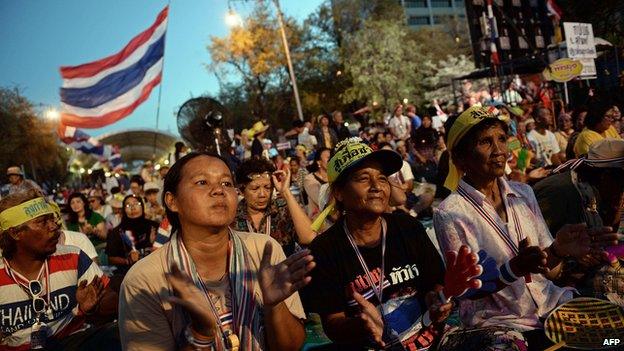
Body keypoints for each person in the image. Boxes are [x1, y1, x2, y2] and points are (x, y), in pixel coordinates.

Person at [435, 106, 620, 348]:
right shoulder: (450, 212)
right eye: (485, 142)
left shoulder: (523, 193)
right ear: (460, 158)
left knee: (612, 339)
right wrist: (513, 268)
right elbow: (467, 290)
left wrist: (558, 251)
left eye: (501, 139)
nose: (499, 150)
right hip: (502, 323)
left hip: (552, 305)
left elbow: (549, 272)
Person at [119, 152, 314, 350]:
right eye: (202, 182)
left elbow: (291, 346)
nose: (218, 190)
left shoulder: (263, 249)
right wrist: (201, 333)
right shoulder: (144, 281)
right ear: (172, 201)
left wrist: (275, 306)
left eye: (226, 183)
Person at [304, 138, 482, 349]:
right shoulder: (325, 249)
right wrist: (361, 325)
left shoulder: (407, 227)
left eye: (382, 178)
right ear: (339, 193)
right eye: (363, 178)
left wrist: (437, 299)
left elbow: (435, 283)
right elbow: (332, 323)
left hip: (433, 340)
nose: (376, 186)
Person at [0, 190, 118, 350]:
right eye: (42, 222)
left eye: (52, 219)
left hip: (74, 340)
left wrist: (93, 306)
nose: (54, 226)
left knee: (116, 335)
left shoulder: (72, 256)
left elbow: (109, 297)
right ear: (15, 233)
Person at [231, 157, 316, 256]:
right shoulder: (233, 216)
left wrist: (286, 192)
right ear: (241, 191)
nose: (262, 194)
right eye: (255, 189)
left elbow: (309, 237)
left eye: (267, 188)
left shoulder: (282, 209)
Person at [106, 194, 158, 277]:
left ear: (142, 207)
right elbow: (111, 258)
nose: (133, 207)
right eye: (128, 205)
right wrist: (127, 261)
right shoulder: (117, 232)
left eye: (136, 204)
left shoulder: (154, 226)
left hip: (154, 270)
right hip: (128, 274)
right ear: (124, 209)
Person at [303, 148, 331, 219]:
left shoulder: (335, 176)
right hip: (322, 224)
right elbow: (321, 201)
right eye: (328, 158)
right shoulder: (309, 179)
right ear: (319, 162)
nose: (331, 160)